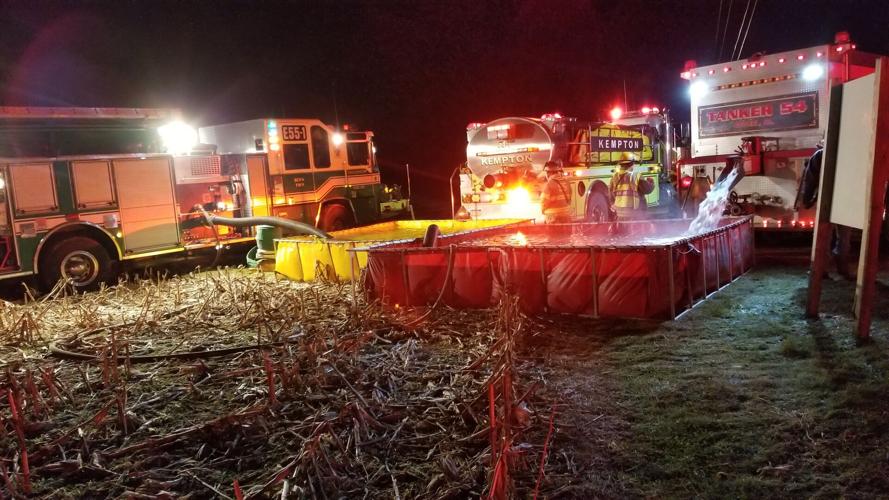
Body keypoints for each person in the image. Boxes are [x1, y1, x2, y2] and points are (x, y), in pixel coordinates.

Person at [798, 145, 852, 279]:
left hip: (826, 201)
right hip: (846, 200)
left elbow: (810, 179)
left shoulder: (820, 155)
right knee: (844, 238)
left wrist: (807, 200)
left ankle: (821, 270)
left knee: (823, 237)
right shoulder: (849, 153)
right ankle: (843, 268)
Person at [609, 152, 654, 221]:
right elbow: (648, 189)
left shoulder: (614, 177)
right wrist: (651, 182)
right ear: (632, 164)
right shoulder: (636, 176)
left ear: (620, 164)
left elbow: (611, 195)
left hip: (620, 215)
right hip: (635, 215)